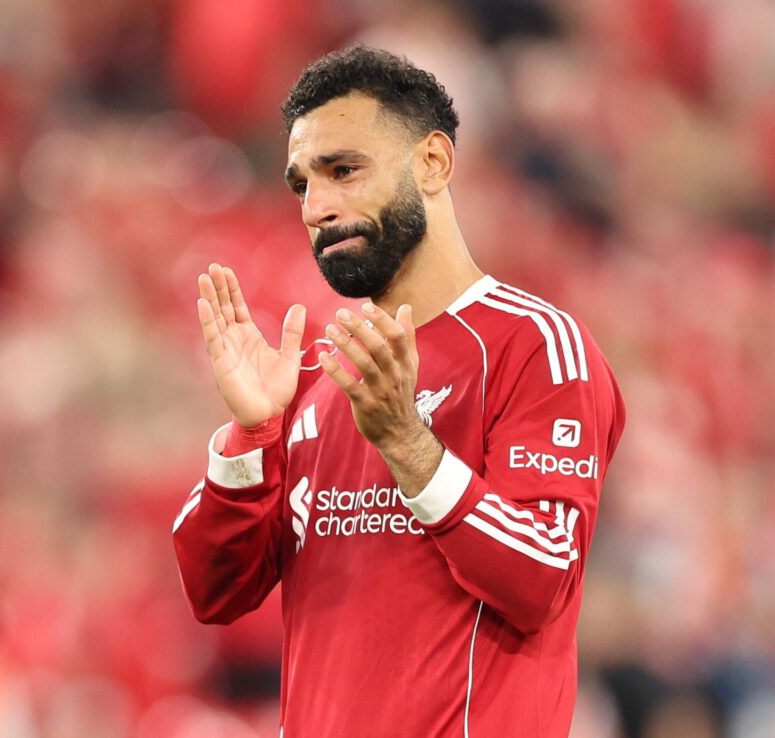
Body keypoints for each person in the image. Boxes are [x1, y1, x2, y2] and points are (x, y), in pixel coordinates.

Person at [172, 45, 626, 738]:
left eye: (344, 171)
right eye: (301, 185)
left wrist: (409, 446)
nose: (316, 208)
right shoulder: (318, 375)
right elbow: (214, 592)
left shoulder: (534, 345)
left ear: (433, 162)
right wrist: (250, 436)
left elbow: (543, 576)